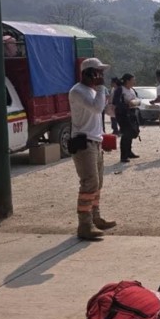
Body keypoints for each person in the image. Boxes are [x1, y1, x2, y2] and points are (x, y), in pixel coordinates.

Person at [68, 57, 117, 240]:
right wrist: (102, 88)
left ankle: (95, 218)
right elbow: (96, 109)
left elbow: (99, 113)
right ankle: (85, 225)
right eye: (99, 72)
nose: (101, 75)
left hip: (95, 141)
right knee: (89, 183)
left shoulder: (91, 90)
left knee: (97, 184)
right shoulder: (78, 91)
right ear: (88, 73)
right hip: (84, 142)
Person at [113, 73, 140, 163]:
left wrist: (135, 103)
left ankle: (129, 152)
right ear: (127, 81)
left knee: (131, 132)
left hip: (132, 113)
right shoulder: (120, 89)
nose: (134, 82)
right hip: (123, 114)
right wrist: (127, 105)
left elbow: (136, 99)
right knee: (125, 133)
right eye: (133, 80)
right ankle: (123, 156)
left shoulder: (132, 90)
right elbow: (116, 102)